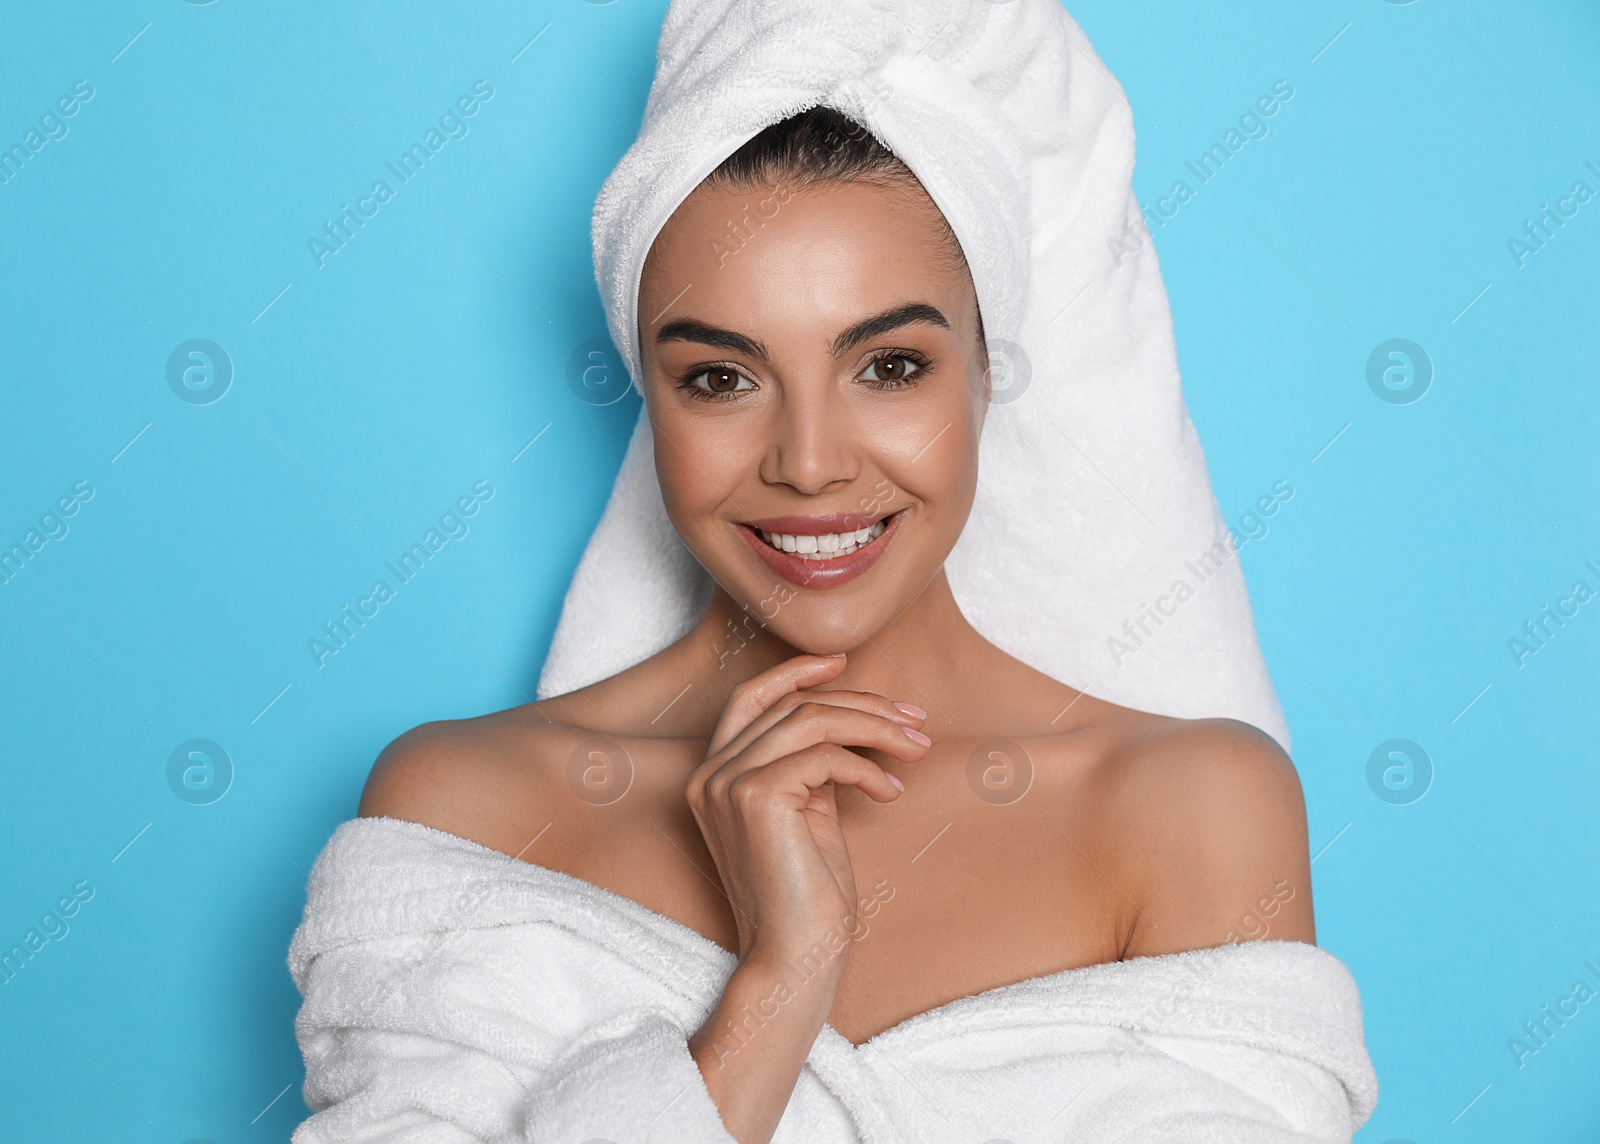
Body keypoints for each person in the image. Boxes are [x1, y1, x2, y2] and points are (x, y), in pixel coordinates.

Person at [289, 4, 1376, 1141]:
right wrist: (781, 978)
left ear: (988, 376)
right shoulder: (468, 810)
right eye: (720, 379)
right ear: (647, 399)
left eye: (889, 364)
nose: (808, 465)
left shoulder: (1190, 806)